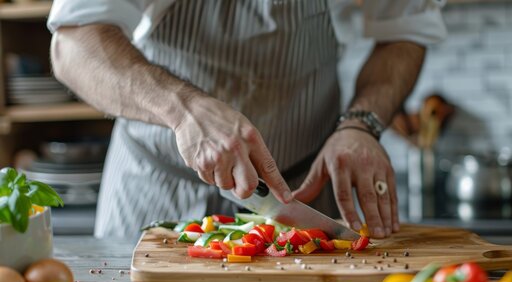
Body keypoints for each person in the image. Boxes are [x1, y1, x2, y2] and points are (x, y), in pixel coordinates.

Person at [48, 0, 446, 240]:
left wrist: (360, 123)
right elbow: (74, 44)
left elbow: (404, 30)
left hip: (300, 192)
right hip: (157, 186)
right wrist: (183, 108)